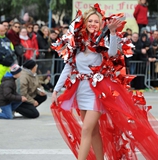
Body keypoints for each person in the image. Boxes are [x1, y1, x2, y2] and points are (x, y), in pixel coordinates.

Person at [51, 3, 158, 160]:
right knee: (93, 131)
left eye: (96, 21)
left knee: (86, 130)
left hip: (97, 91)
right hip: (81, 90)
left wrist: (113, 32)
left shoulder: (103, 40)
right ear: (85, 23)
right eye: (90, 21)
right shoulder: (77, 43)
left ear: (100, 24)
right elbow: (67, 68)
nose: (93, 24)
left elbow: (113, 53)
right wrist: (55, 90)